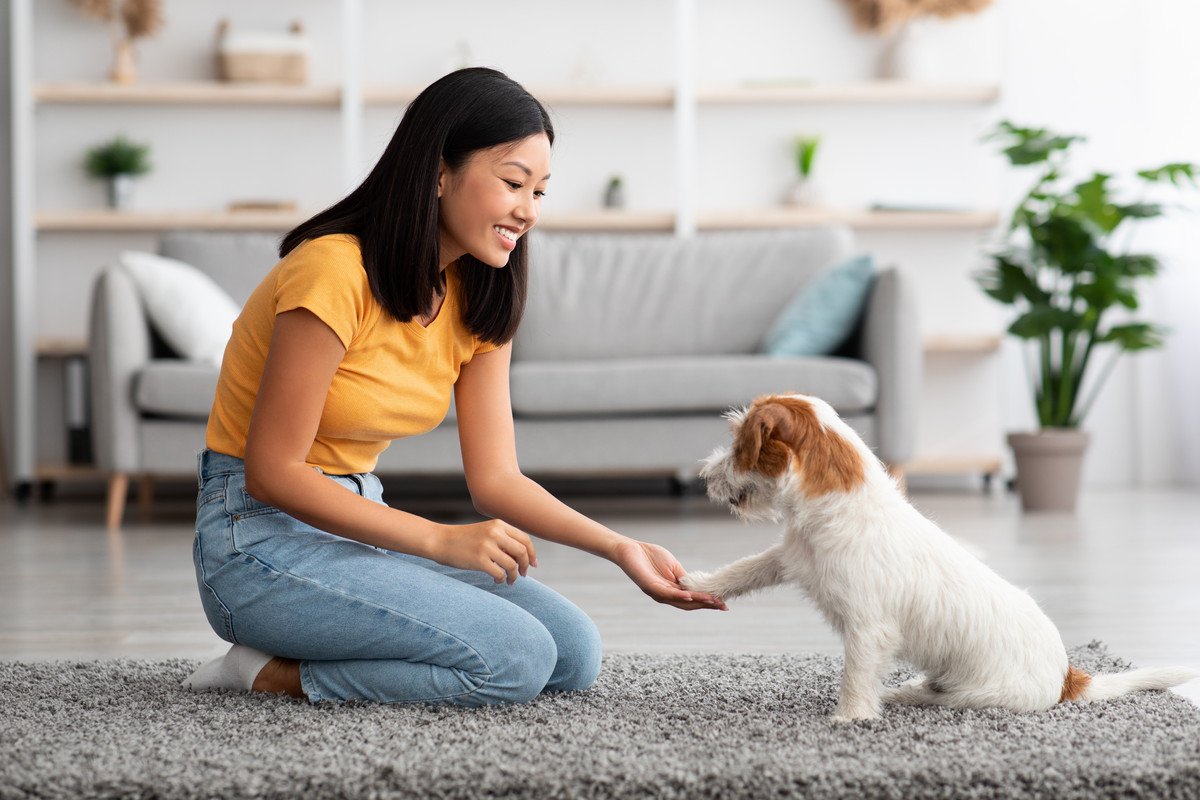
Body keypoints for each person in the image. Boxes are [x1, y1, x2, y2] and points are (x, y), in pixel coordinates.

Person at [183, 68, 725, 706]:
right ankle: (264, 671)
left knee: (573, 652)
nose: (528, 209)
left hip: (359, 524)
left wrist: (621, 547)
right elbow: (272, 473)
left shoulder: (481, 292)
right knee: (516, 659)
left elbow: (496, 480)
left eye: (541, 191)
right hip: (256, 539)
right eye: (513, 182)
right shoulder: (332, 270)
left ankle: (327, 641)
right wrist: (442, 539)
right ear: (440, 172)